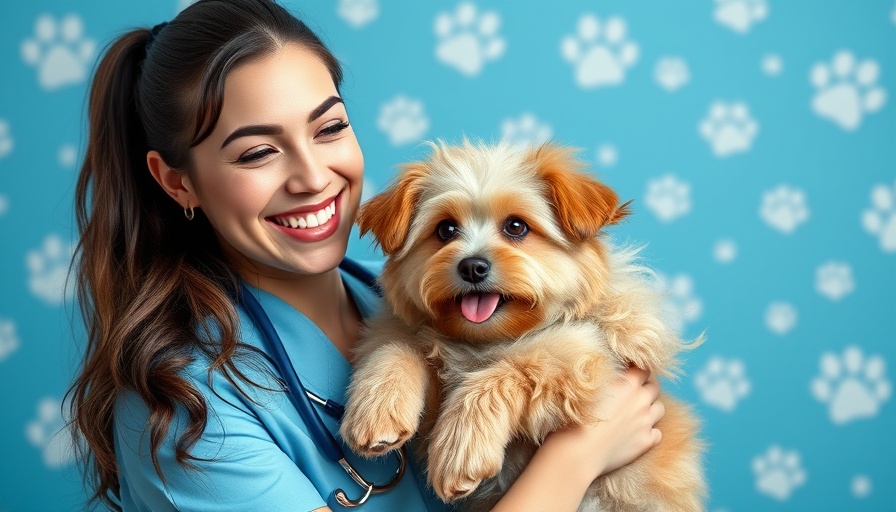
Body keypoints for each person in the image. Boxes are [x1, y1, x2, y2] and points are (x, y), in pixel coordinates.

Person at [68, 0, 666, 510]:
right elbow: (591, 432)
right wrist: (579, 455)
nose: (312, 178)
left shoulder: (394, 303)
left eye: (328, 129)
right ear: (179, 184)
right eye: (257, 153)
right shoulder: (188, 418)